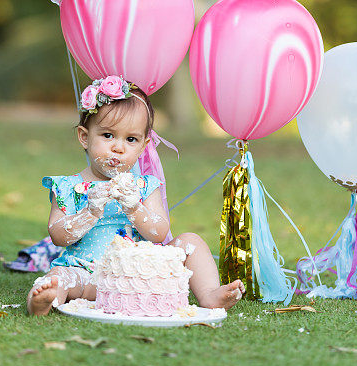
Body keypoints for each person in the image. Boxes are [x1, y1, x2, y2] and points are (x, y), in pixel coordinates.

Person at [27, 76, 245, 315]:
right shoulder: (68, 186)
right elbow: (57, 235)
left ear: (143, 146)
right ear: (84, 137)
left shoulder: (144, 186)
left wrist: (134, 207)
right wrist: (90, 212)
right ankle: (44, 300)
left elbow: (159, 232)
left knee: (191, 241)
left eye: (131, 139)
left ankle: (210, 293)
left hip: (140, 275)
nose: (118, 148)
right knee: (60, 277)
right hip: (86, 274)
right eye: (108, 135)